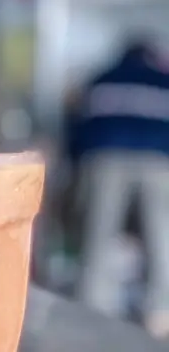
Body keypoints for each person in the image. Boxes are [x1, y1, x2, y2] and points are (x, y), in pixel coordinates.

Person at [71, 37, 169, 334]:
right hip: (155, 160)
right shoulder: (163, 82)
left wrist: (76, 163)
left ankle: (93, 308)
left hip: (105, 158)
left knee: (99, 232)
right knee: (161, 235)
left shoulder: (101, 78)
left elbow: (78, 127)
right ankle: (161, 311)